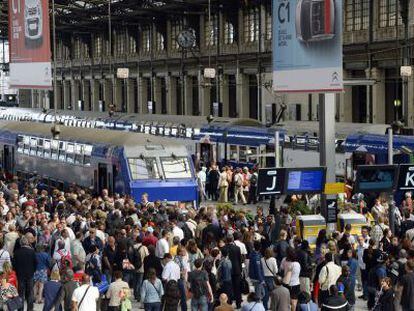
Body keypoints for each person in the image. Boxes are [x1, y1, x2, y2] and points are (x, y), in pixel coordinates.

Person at [13, 235, 37, 311]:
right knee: (30, 293)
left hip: (20, 275)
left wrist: (17, 272)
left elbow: (14, 265)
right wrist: (33, 271)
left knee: (21, 294)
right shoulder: (32, 251)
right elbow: (36, 263)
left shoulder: (16, 252)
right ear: (27, 243)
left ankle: (20, 309)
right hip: (30, 274)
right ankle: (30, 309)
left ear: (20, 243)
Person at [222, 234, 242, 309]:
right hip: (236, 270)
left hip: (227, 270)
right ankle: (238, 304)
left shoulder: (223, 248)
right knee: (237, 288)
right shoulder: (237, 248)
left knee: (228, 288)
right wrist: (240, 270)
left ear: (226, 240)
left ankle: (229, 303)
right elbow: (239, 260)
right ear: (232, 239)